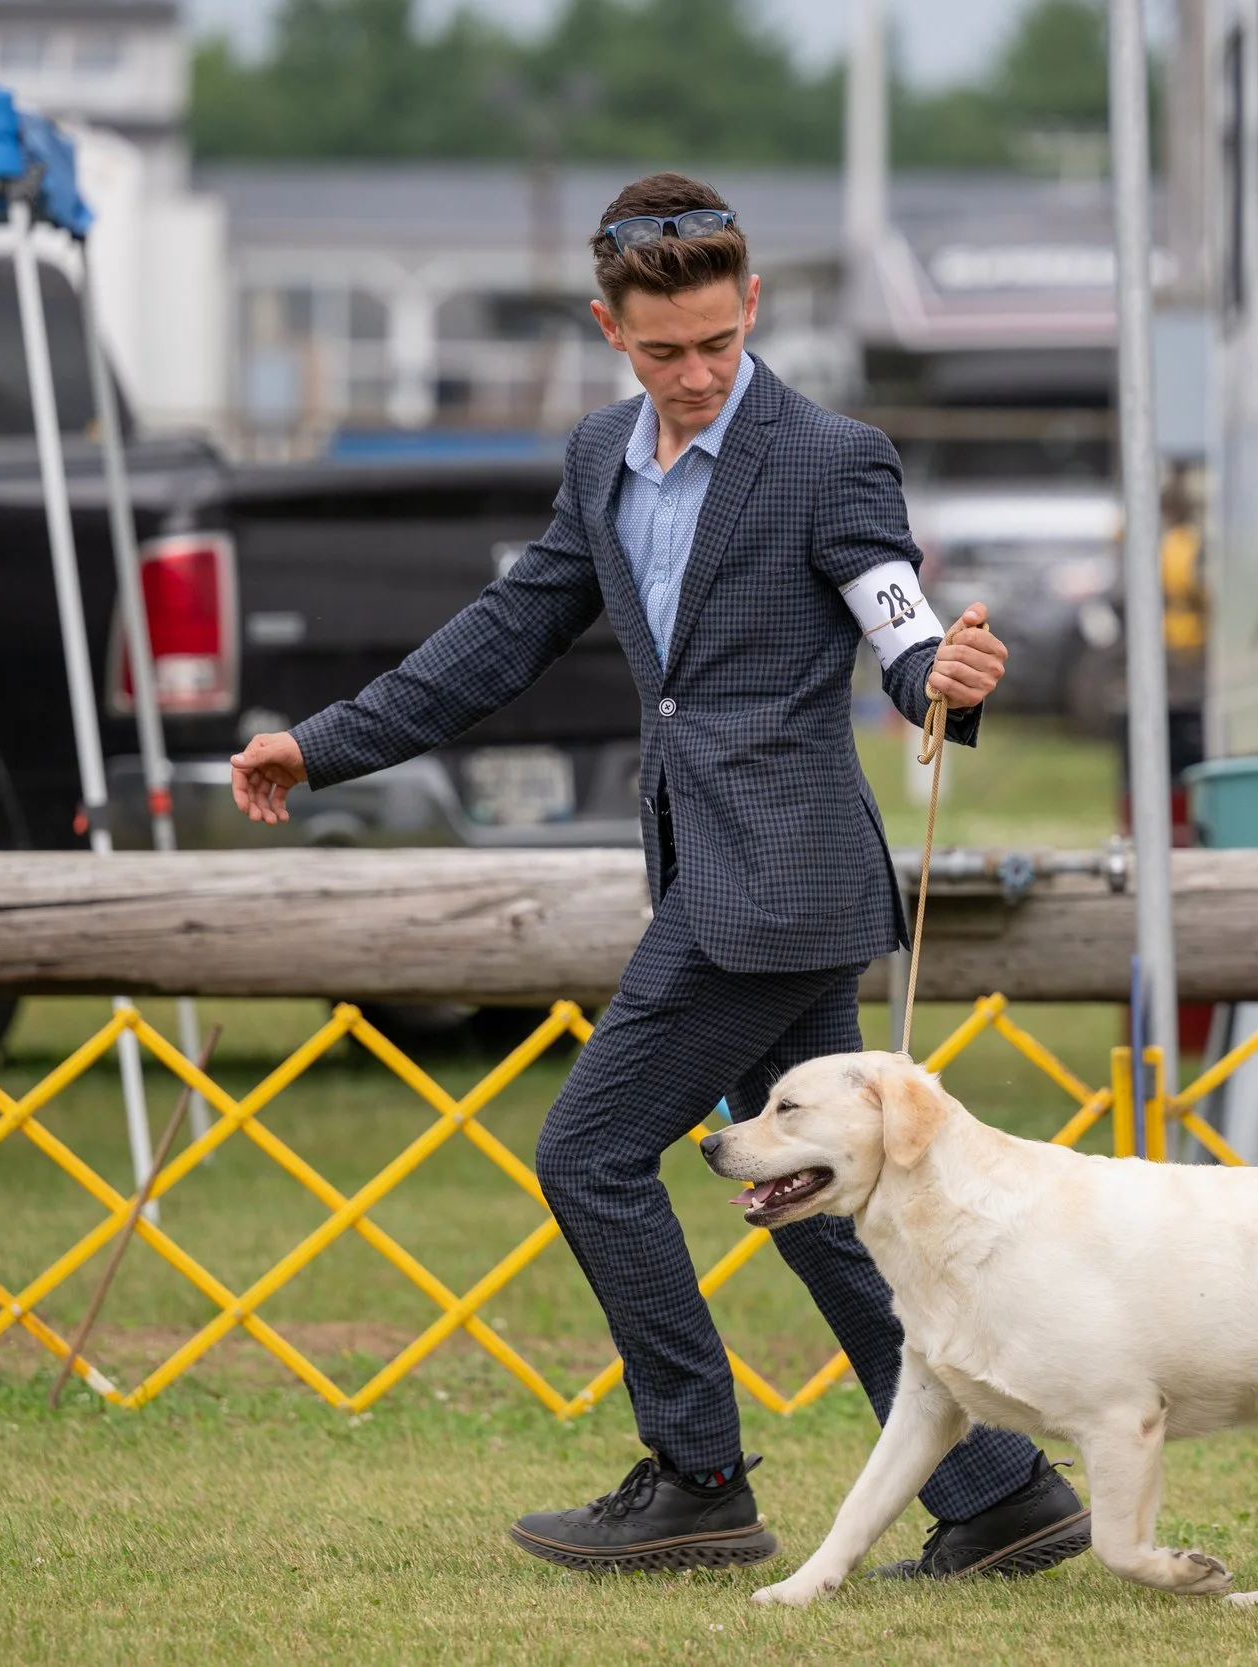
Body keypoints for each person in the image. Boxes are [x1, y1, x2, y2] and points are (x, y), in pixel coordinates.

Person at [229, 172, 1089, 1580]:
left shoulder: (830, 455)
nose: (695, 377)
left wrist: (951, 680)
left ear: (752, 305)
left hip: (779, 883)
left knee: (588, 1152)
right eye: (662, 352)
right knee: (820, 1210)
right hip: (728, 875)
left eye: (717, 344)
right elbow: (500, 637)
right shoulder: (600, 460)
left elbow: (901, 625)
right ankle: (997, 1488)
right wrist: (318, 748)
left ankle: (696, 1477)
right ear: (608, 329)